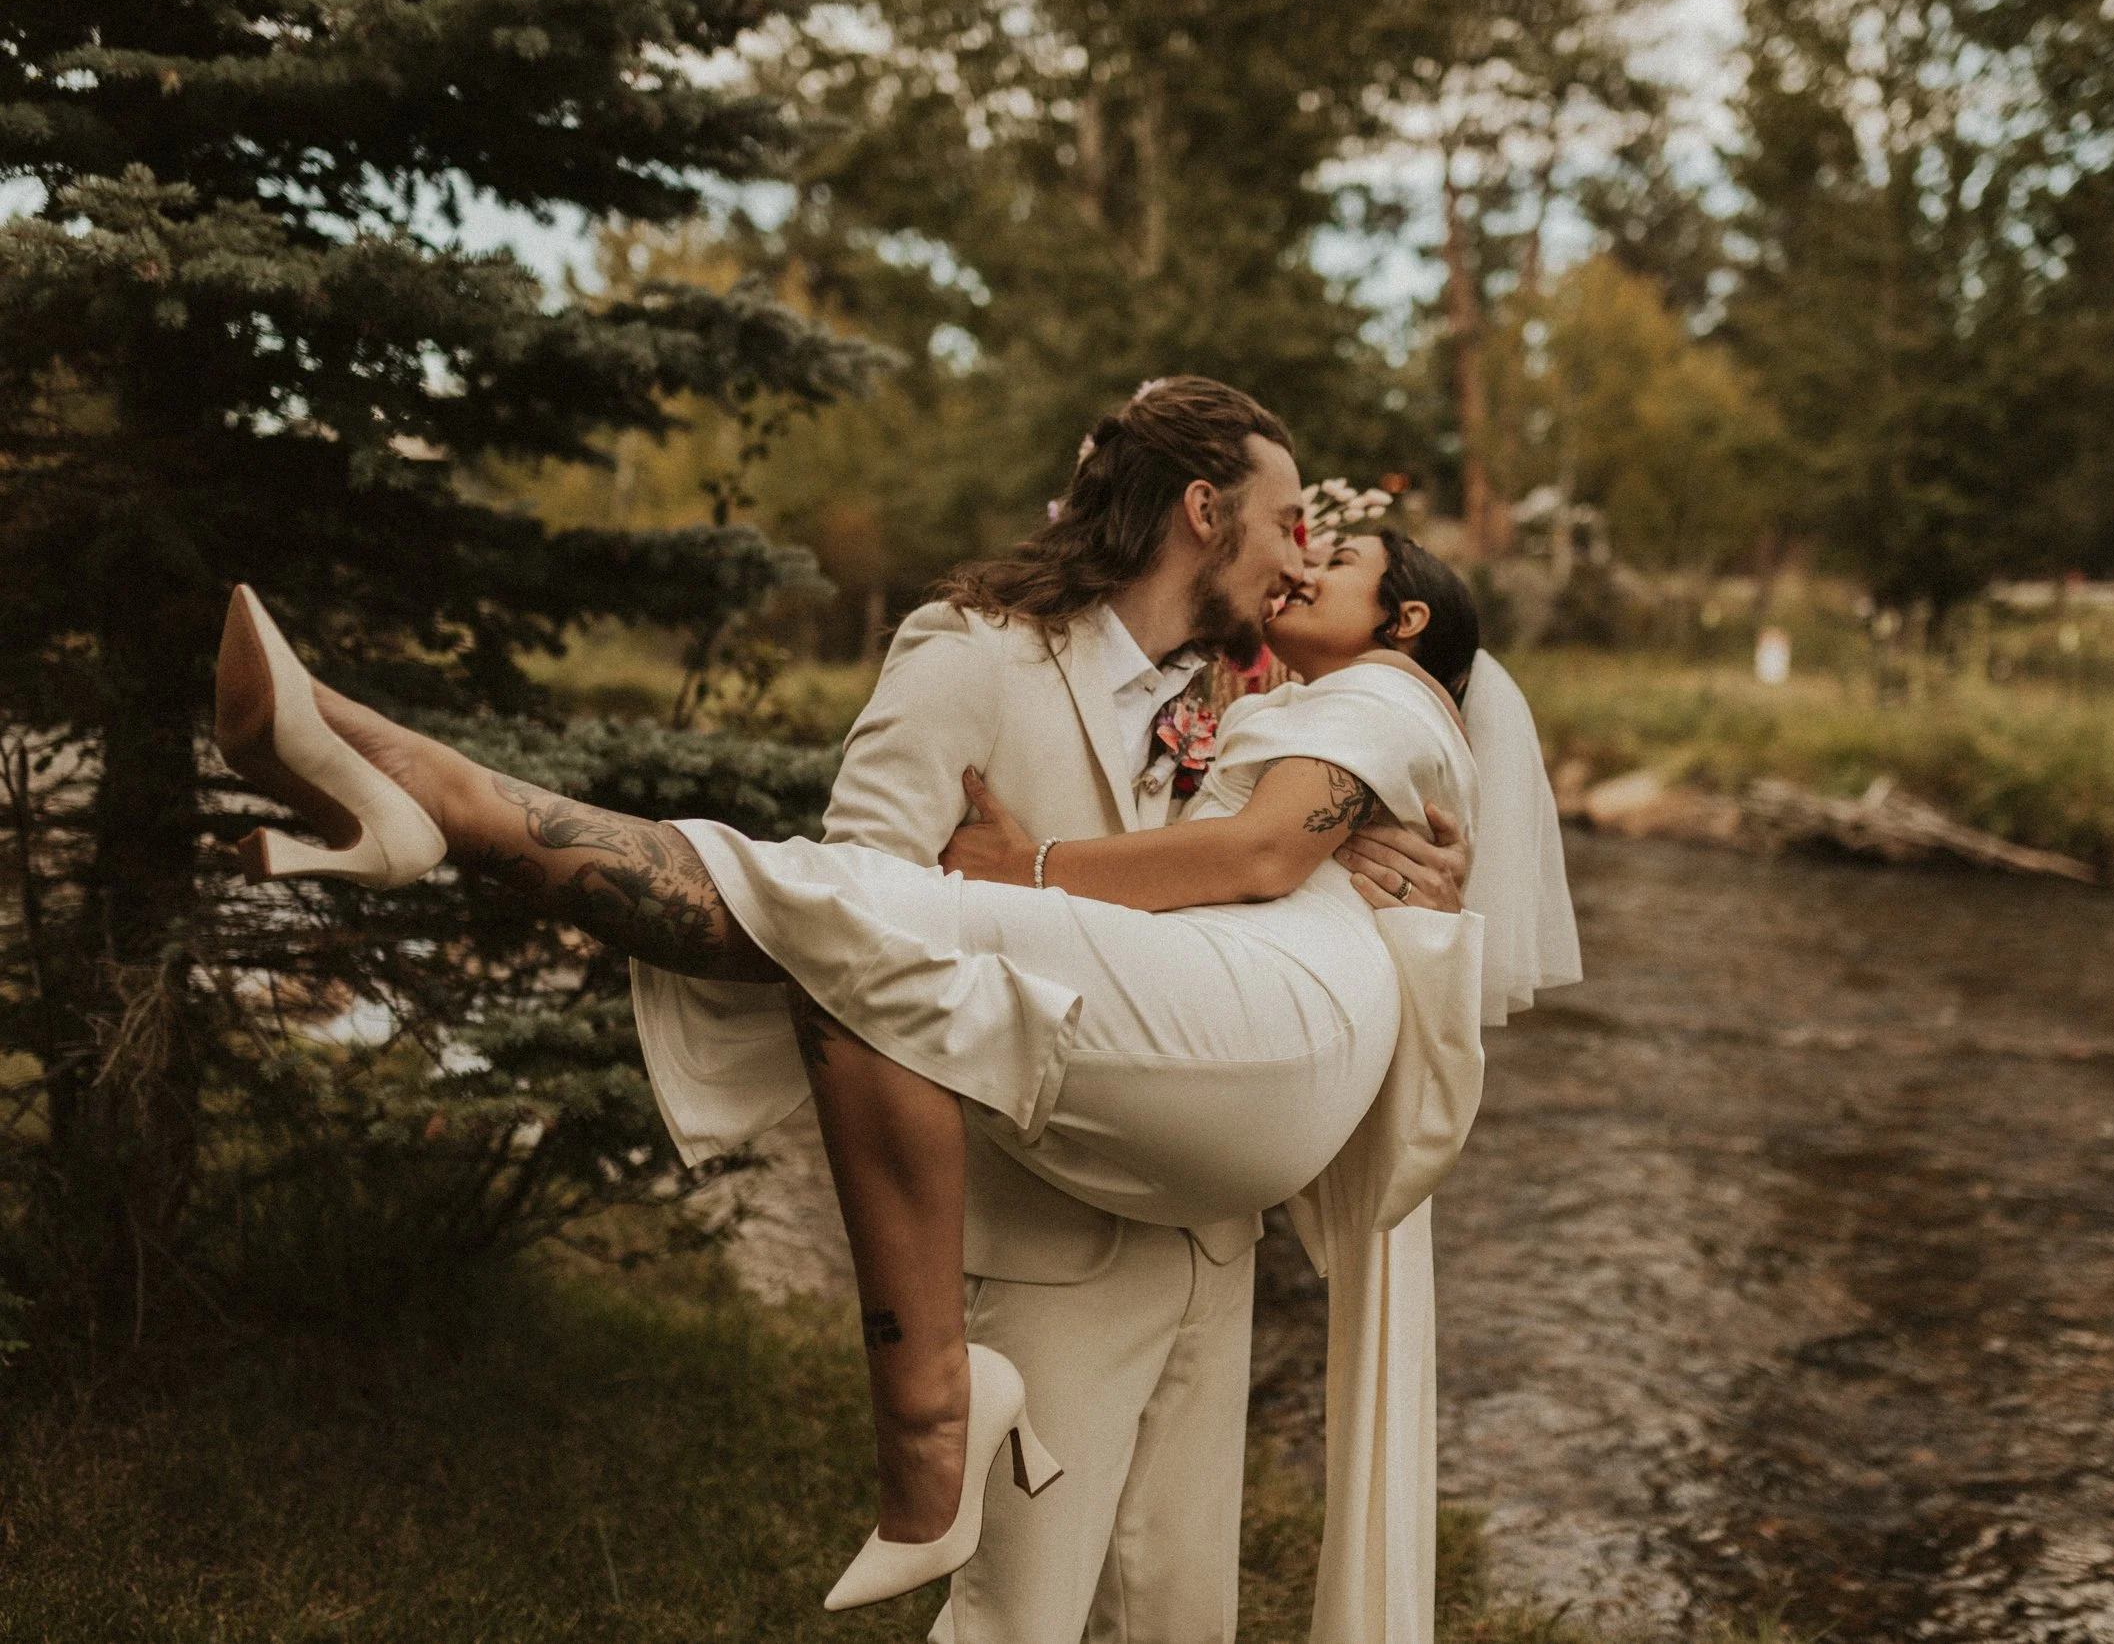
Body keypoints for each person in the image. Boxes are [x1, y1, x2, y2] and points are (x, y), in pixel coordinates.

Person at [209, 395, 1516, 1636]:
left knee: (1177, 1616)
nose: (1302, 550)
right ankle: (431, 797)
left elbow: (1270, 863)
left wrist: (1408, 881)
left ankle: (427, 802)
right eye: (1289, 517)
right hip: (1056, 1217)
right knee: (1017, 1621)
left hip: (1206, 1223)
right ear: (1199, 511)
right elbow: (856, 913)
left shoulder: (1255, 703)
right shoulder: (974, 653)